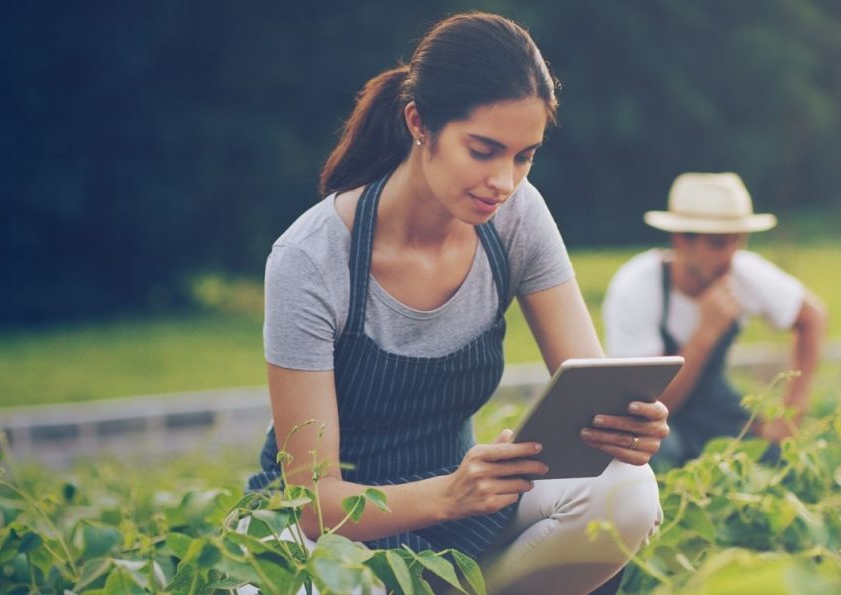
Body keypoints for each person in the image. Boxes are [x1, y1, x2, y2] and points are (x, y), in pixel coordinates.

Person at [247, 12, 669, 593]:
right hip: (330, 529)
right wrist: (449, 494)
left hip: (463, 501)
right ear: (420, 123)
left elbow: (589, 386)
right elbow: (312, 501)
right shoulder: (311, 259)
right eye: (484, 150)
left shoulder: (517, 217)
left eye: (524, 156)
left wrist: (623, 428)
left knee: (627, 487)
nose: (505, 181)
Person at [602, 172, 827, 469]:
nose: (730, 255)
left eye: (738, 241)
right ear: (681, 240)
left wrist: (791, 418)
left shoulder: (742, 272)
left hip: (713, 406)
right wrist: (704, 335)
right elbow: (649, 407)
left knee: (773, 459)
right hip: (655, 417)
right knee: (658, 456)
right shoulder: (637, 287)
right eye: (719, 243)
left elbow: (813, 318)